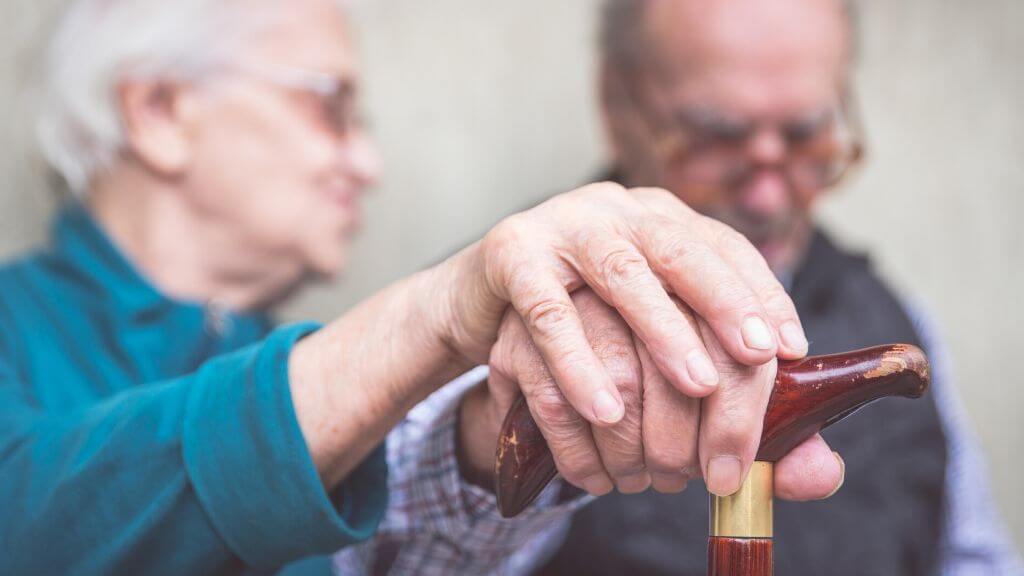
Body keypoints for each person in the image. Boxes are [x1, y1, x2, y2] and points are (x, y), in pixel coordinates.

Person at [0, 0, 847, 574]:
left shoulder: (275, 361)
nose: (367, 166)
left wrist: (522, 420)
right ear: (156, 109)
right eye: (330, 107)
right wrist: (431, 314)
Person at [472, 0, 1019, 574]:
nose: (767, 200)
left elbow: (973, 558)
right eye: (717, 139)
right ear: (617, 102)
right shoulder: (504, 325)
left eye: (805, 135)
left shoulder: (896, 318)